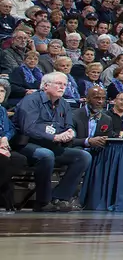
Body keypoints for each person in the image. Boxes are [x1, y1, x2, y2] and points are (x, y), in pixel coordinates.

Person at [13, 72, 92, 211]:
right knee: (46, 155)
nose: (62, 87)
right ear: (45, 86)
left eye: (64, 85)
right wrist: (54, 137)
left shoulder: (64, 104)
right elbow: (28, 128)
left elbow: (69, 125)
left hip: (53, 145)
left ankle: (59, 198)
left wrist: (70, 133)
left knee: (83, 156)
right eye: (59, 84)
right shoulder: (30, 101)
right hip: (27, 144)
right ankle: (42, 202)